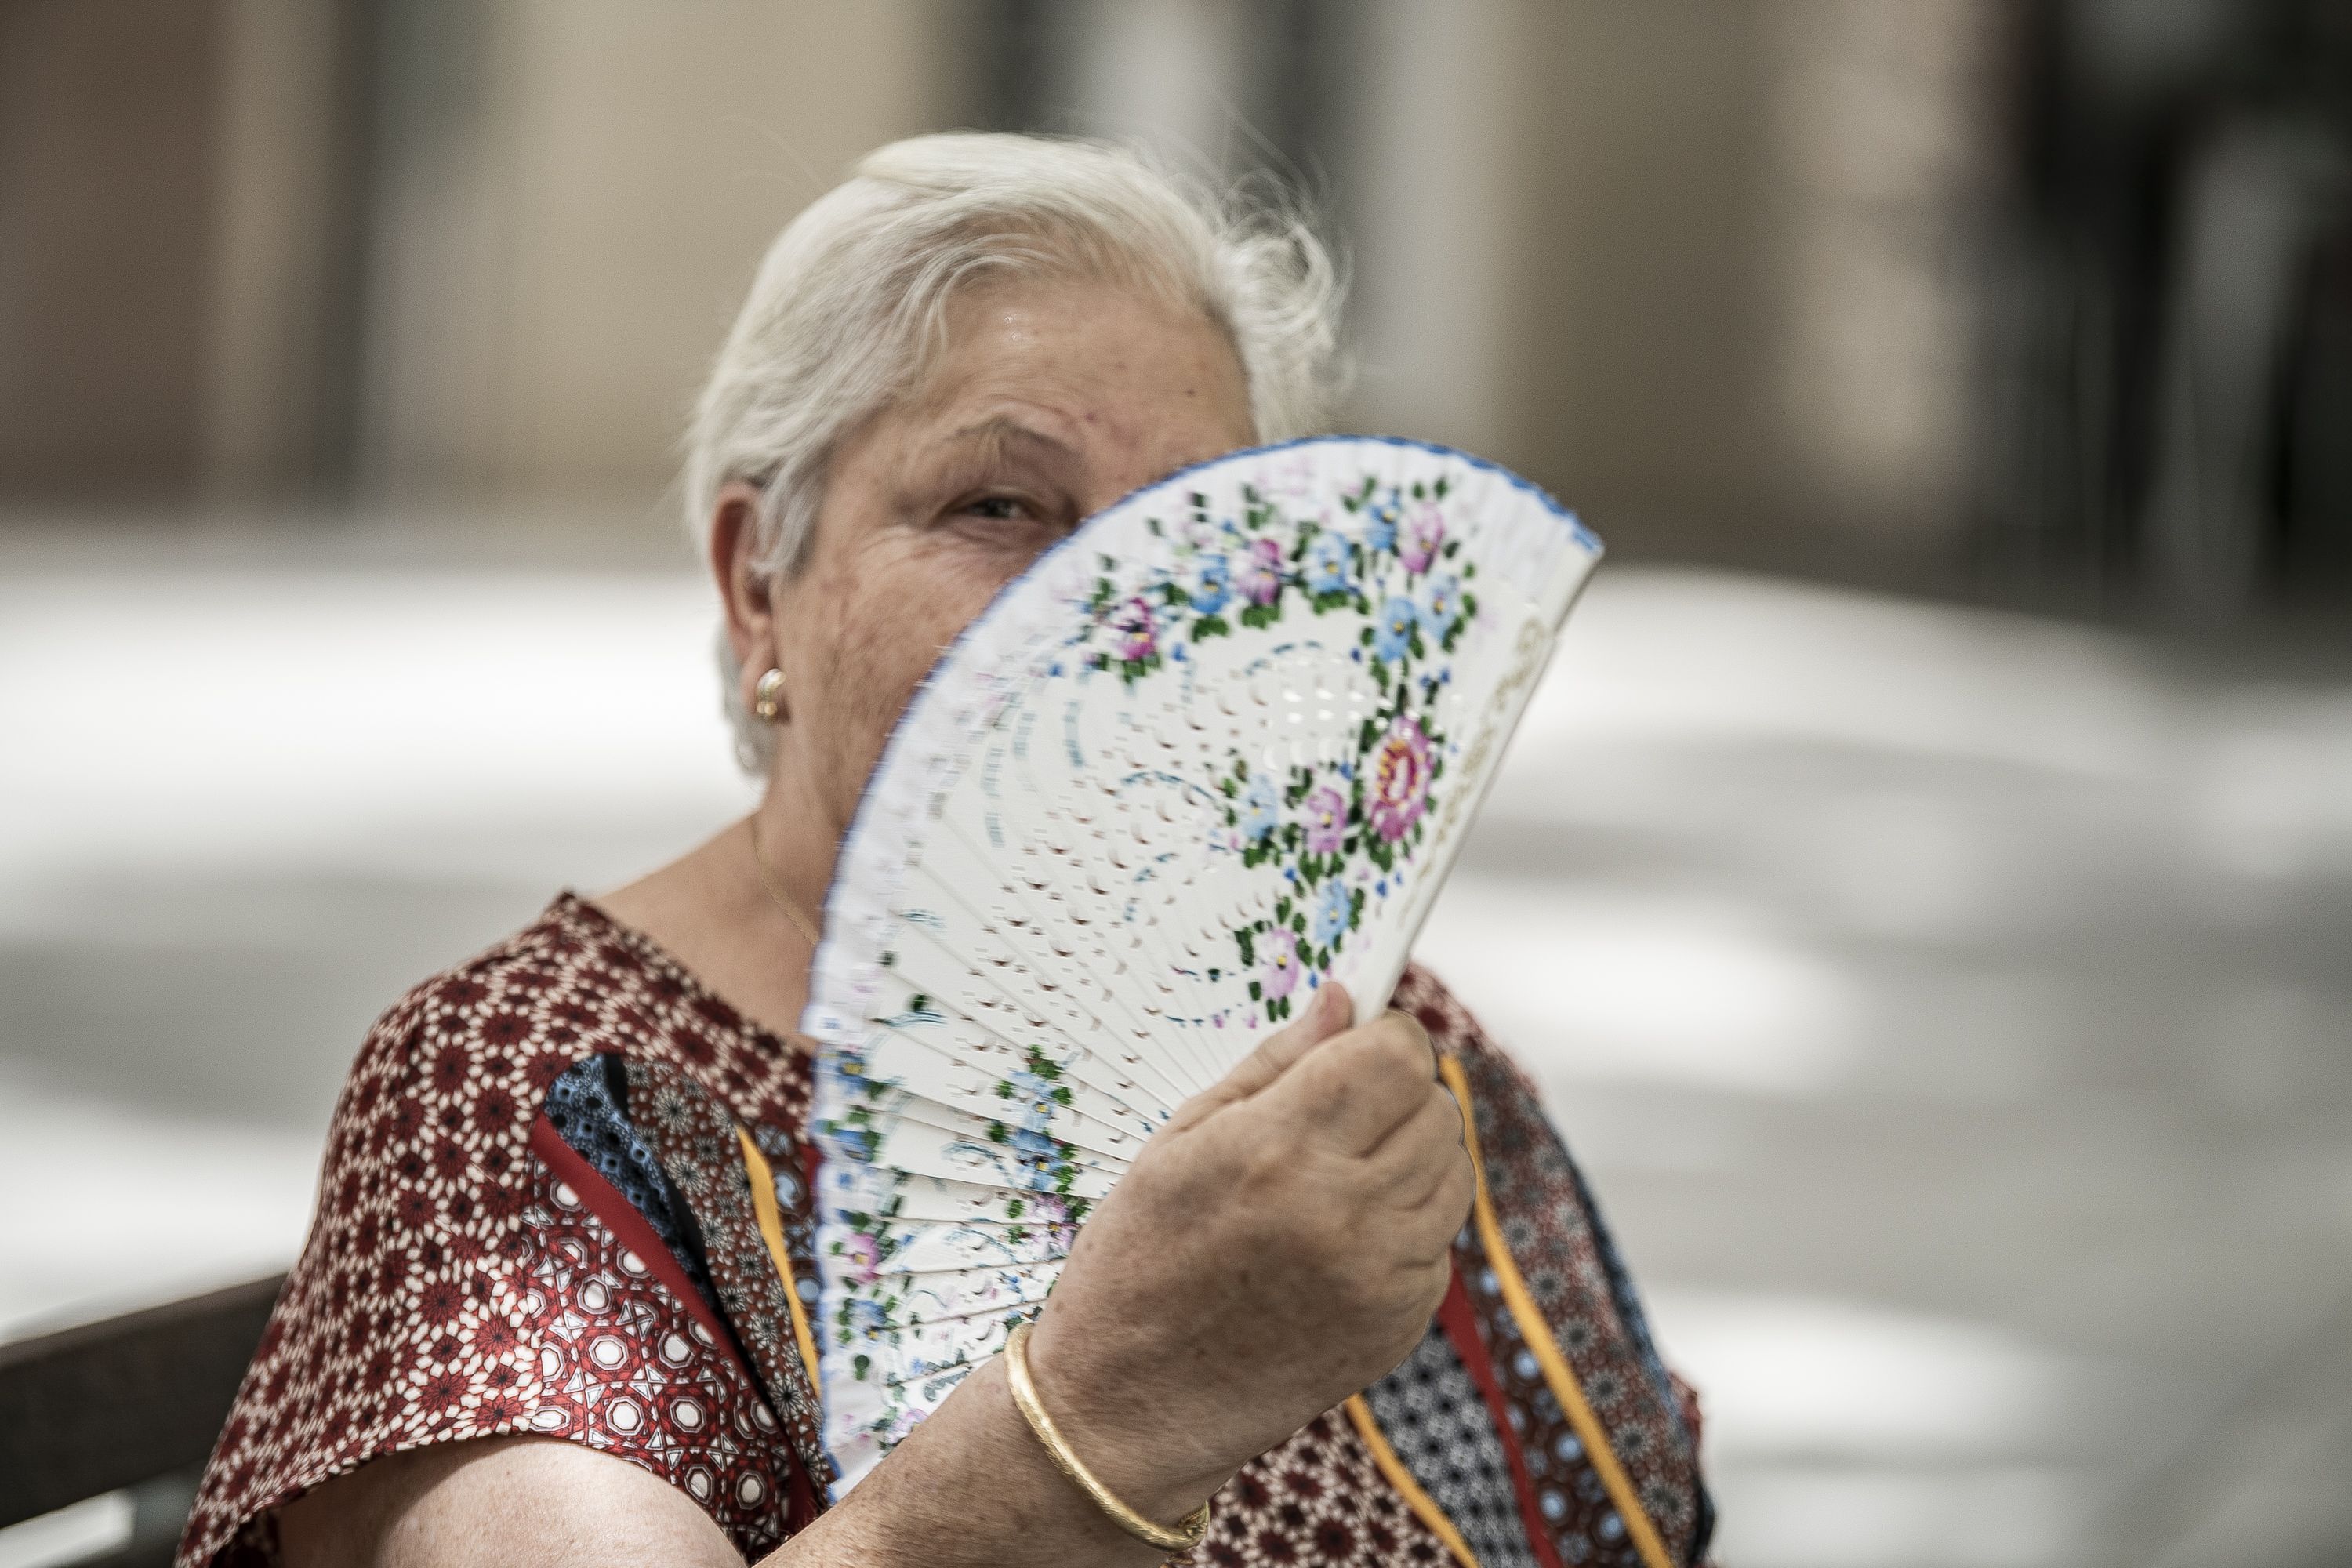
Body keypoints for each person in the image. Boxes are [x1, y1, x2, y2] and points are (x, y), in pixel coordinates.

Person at [180, 133, 1713, 1568]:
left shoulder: (1367, 1044)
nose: (1134, 626)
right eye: (999, 504)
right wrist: (1106, 1410)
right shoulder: (534, 1085)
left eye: (1200, 534)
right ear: (757, 582)